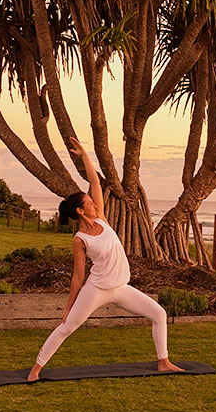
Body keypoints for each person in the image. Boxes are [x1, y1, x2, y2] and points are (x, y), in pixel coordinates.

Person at [27, 136, 183, 381]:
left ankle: (163, 361)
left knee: (159, 314)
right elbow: (78, 276)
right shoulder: (80, 240)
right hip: (97, 289)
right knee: (67, 327)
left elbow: (95, 184)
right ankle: (36, 370)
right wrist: (68, 307)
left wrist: (85, 155)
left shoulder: (101, 219)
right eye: (89, 203)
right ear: (80, 210)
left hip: (121, 288)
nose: (94, 204)